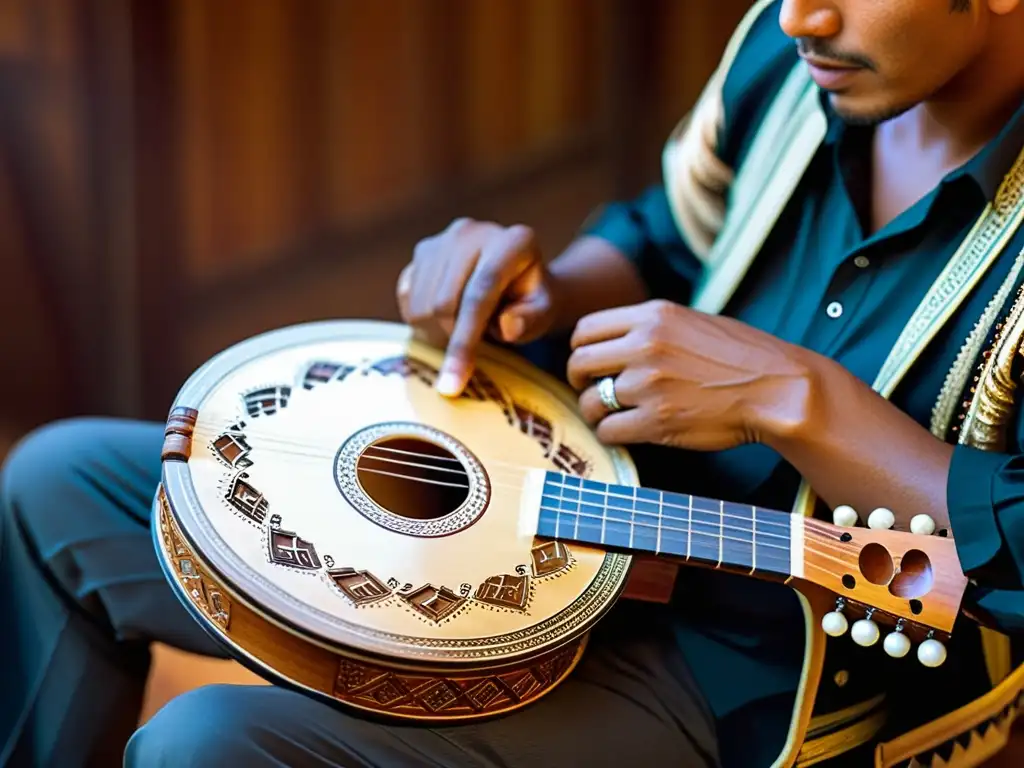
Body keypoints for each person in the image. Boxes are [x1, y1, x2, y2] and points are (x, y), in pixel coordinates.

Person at [4, 0, 1024, 765]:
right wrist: (539, 286)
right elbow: (668, 235)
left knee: (209, 745)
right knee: (54, 488)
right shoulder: (792, 50)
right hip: (571, 503)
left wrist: (794, 399)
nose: (800, 12)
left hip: (744, 667)